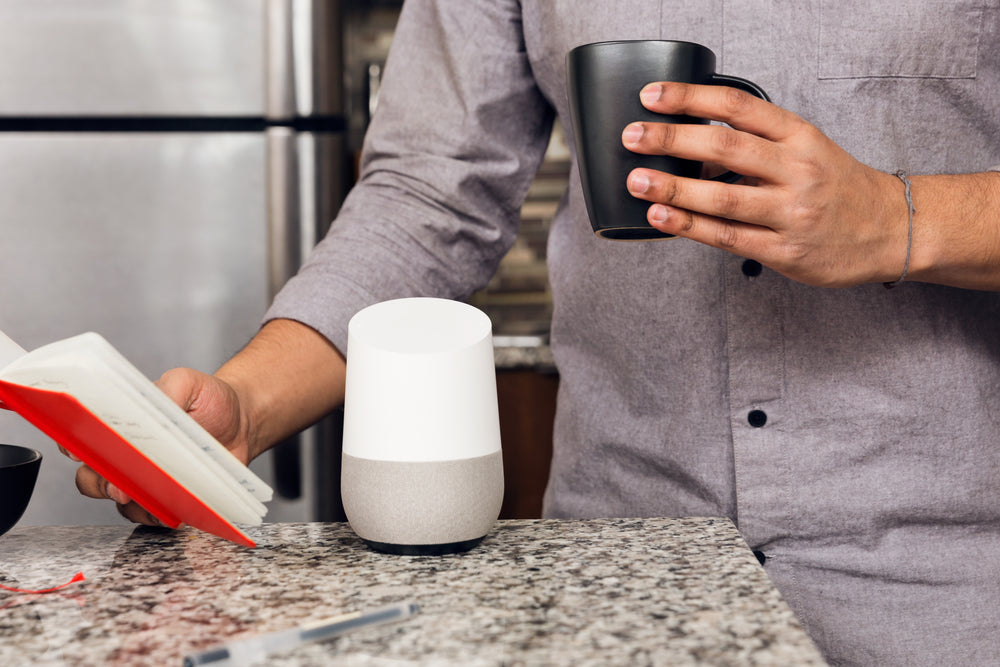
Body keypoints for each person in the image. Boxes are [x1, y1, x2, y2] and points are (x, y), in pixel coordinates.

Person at [72, 2, 1000, 664]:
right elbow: (431, 200)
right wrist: (244, 406)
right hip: (623, 574)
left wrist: (898, 218)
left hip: (953, 584)